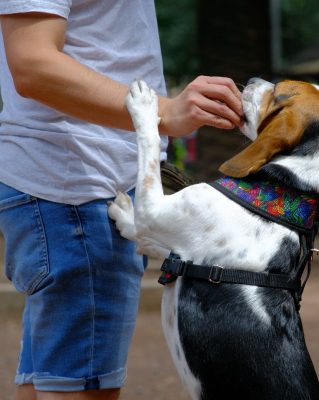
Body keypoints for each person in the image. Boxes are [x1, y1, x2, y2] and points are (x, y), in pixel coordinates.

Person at [0, 2, 242, 400]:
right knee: (79, 390)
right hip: (78, 193)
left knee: (47, 383)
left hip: (76, 194)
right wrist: (162, 112)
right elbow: (32, 63)